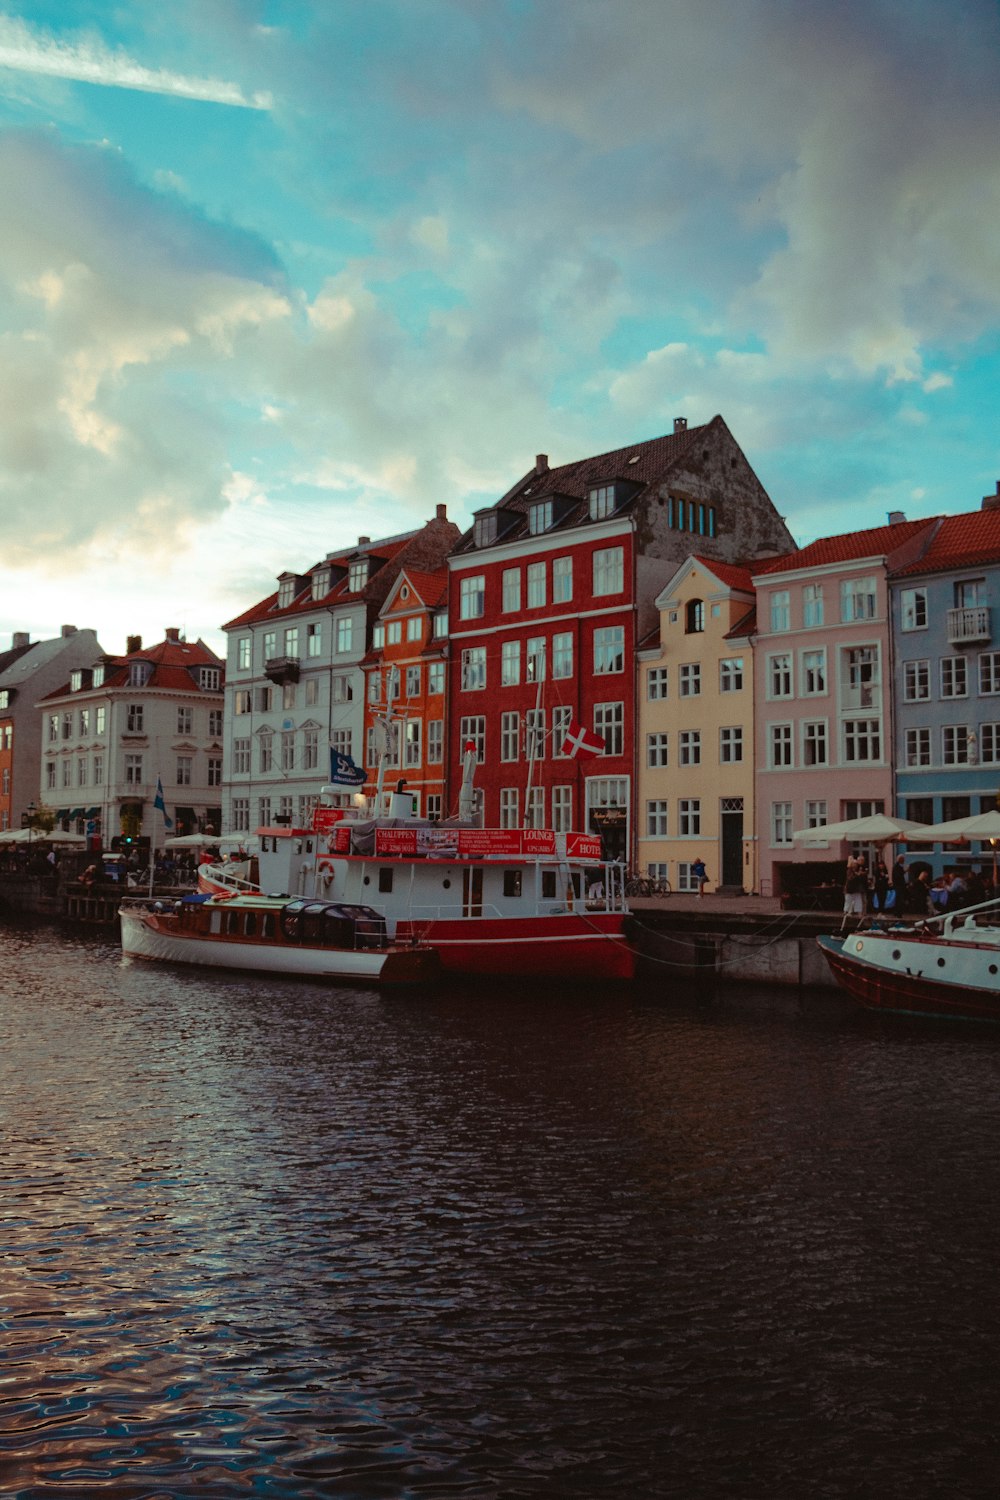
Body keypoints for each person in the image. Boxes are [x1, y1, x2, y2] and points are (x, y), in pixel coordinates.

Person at [841, 855, 867, 931]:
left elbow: (861, 877)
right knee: (848, 900)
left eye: (856, 865)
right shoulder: (849, 870)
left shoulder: (858, 870)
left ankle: (859, 912)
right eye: (854, 865)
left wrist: (861, 875)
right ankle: (846, 911)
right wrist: (857, 875)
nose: (855, 866)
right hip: (850, 889)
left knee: (858, 900)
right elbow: (850, 878)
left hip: (856, 889)